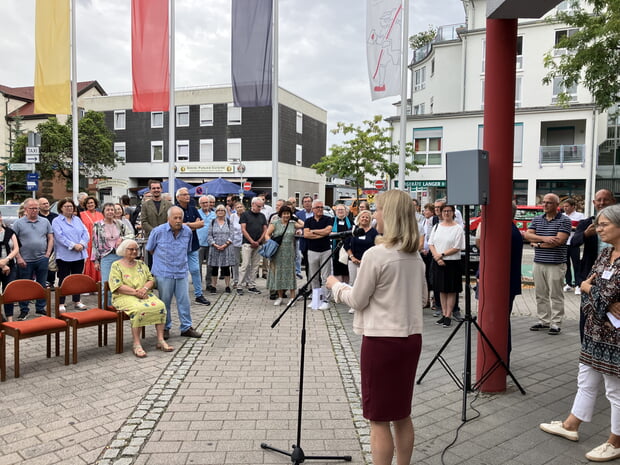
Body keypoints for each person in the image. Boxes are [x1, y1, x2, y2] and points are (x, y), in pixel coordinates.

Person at [326, 190, 425, 465]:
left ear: (390, 215)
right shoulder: (415, 257)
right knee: (402, 413)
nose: (375, 214)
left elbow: (357, 300)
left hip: (382, 342)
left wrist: (337, 287)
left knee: (378, 418)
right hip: (410, 339)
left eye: (378, 209)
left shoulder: (376, 255)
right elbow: (424, 298)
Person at [539, 204, 620, 462]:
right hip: (595, 329)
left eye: (605, 224)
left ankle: (615, 441)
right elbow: (591, 288)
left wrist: (592, 291)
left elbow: (599, 291)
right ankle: (571, 425)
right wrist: (590, 290)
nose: (598, 229)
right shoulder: (605, 254)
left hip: (615, 337)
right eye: (598, 224)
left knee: (614, 390)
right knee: (586, 379)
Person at [109, 239, 172, 358]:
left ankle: (160, 340)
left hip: (143, 294)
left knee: (160, 306)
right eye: (131, 249)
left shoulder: (141, 264)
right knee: (138, 309)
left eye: (136, 249)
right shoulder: (116, 265)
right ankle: (136, 344)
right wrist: (135, 292)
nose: (134, 251)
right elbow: (117, 285)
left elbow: (151, 279)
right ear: (123, 250)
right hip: (124, 296)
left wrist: (144, 289)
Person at [146, 206, 202, 340]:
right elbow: (150, 249)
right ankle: (165, 328)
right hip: (164, 272)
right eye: (175, 218)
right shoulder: (158, 231)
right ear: (168, 219)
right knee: (164, 302)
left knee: (184, 301)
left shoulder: (187, 231)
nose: (178, 220)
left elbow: (187, 250)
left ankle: (186, 327)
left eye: (180, 218)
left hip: (181, 271)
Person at [572, 189, 616, 341]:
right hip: (591, 277)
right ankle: (586, 346)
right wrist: (585, 234)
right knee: (587, 317)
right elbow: (573, 242)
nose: (602, 203)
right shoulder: (587, 224)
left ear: (613, 202)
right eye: (599, 200)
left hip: (613, 280)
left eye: (606, 199)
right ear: (594, 203)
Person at [525, 193, 572, 335]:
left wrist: (537, 244)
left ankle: (556, 323)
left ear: (557, 205)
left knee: (556, 295)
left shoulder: (564, 220)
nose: (545, 205)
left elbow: (558, 241)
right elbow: (527, 235)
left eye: (549, 203)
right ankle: (543, 321)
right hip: (538, 262)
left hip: (556, 263)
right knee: (540, 293)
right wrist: (544, 239)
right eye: (543, 202)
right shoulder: (537, 219)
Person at [12, 198, 54, 320]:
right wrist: (18, 257)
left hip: (42, 258)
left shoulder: (45, 221)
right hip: (24, 260)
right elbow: (13, 242)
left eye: (36, 208)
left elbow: (50, 238)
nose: (35, 210)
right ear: (25, 210)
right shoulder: (18, 223)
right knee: (24, 286)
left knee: (41, 284)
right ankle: (24, 310)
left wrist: (47, 255)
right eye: (32, 208)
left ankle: (40, 308)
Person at [428, 204, 465, 328]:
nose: (446, 213)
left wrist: (442, 255)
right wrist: (437, 257)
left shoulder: (458, 228)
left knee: (451, 290)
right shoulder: (436, 227)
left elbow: (457, 246)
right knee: (441, 290)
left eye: (449, 211)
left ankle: (449, 315)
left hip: (452, 262)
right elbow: (431, 243)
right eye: (444, 211)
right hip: (438, 261)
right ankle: (443, 314)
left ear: (453, 213)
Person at [52, 198, 90, 312]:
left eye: (71, 206)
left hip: (79, 254)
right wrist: (73, 245)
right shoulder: (56, 221)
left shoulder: (77, 219)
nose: (69, 208)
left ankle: (77, 300)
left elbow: (85, 233)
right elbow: (59, 237)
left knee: (77, 278)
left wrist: (82, 244)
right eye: (66, 206)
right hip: (64, 255)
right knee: (63, 279)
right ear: (61, 208)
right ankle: (61, 302)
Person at [175, 188, 209, 305]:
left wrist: (186, 225)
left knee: (195, 270)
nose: (187, 196)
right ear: (178, 197)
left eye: (188, 194)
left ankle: (198, 295)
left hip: (193, 245)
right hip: (179, 246)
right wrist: (192, 225)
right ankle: (180, 294)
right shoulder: (175, 210)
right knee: (180, 271)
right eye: (184, 194)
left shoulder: (193, 209)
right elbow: (176, 225)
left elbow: (201, 224)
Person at [92, 202, 134, 299]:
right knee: (106, 284)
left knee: (121, 283)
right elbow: (95, 243)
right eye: (108, 210)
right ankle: (105, 308)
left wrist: (122, 238)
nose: (110, 212)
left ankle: (118, 308)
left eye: (112, 210)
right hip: (106, 256)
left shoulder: (120, 224)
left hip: (120, 255)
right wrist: (96, 261)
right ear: (103, 212)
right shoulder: (97, 225)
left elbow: (131, 235)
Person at [266, 205, 304, 306]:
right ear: (281, 214)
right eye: (284, 213)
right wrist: (270, 243)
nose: (286, 215)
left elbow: (303, 224)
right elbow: (267, 234)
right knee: (278, 274)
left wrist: (295, 218)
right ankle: (280, 297)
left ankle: (292, 298)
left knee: (290, 275)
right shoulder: (275, 223)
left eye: (288, 213)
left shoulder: (292, 224)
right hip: (277, 252)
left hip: (289, 253)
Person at [343, 210, 378, 313]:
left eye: (367, 217)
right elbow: (346, 244)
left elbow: (376, 247)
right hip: (353, 261)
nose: (365, 219)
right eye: (363, 217)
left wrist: (365, 260)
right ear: (359, 218)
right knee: (353, 282)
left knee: (366, 284)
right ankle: (353, 305)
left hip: (367, 262)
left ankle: (365, 304)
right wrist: (352, 257)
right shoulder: (353, 229)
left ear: (370, 219)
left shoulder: (374, 232)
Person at [304, 199, 333, 310]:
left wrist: (314, 231)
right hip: (312, 251)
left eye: (322, 207)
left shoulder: (328, 219)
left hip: (325, 251)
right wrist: (321, 233)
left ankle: (326, 299)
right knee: (314, 276)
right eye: (318, 207)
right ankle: (316, 299)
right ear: (313, 209)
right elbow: (306, 234)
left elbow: (328, 231)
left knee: (326, 276)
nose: (320, 209)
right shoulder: (308, 221)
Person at [237, 197, 267, 295]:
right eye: (258, 206)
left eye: (261, 206)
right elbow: (243, 229)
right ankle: (239, 285)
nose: (260, 208)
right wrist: (251, 241)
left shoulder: (262, 216)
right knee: (245, 265)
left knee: (255, 265)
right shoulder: (245, 215)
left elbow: (265, 230)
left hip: (258, 243)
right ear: (253, 204)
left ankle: (252, 285)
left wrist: (258, 241)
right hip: (247, 243)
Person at [140, 180, 173, 267]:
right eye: (153, 188)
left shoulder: (169, 205)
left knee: (166, 263)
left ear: (161, 189)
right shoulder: (145, 205)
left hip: (166, 238)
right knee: (151, 264)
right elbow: (144, 221)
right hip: (151, 238)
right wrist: (155, 231)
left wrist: (163, 231)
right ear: (150, 190)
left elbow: (171, 220)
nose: (156, 190)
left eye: (158, 188)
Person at [207, 205, 234, 293]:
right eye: (218, 210)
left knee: (226, 268)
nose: (220, 212)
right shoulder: (212, 222)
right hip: (215, 248)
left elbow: (232, 235)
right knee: (214, 268)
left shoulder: (229, 222)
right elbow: (209, 235)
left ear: (225, 212)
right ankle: (214, 286)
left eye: (222, 210)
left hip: (226, 248)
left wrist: (225, 244)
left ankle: (227, 286)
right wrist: (215, 244)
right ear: (216, 212)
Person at [562, 198, 586, 295]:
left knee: (576, 264)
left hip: (574, 243)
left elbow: (582, 228)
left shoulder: (580, 216)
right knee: (566, 265)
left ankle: (578, 285)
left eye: (567, 206)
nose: (565, 208)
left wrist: (571, 228)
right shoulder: (562, 216)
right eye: (564, 206)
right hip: (564, 243)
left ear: (573, 206)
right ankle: (568, 283)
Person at [79, 195, 104, 282]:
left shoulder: (101, 215)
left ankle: (98, 283)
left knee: (98, 260)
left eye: (92, 202)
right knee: (88, 261)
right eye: (88, 203)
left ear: (95, 204)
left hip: (99, 241)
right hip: (88, 242)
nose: (90, 204)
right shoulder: (82, 215)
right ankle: (87, 283)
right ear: (85, 205)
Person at [0, 210, 19, 321]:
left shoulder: (9, 231)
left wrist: (6, 260)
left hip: (11, 266)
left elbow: (16, 248)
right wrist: (2, 265)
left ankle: (10, 318)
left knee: (9, 292)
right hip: (3, 265)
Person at [38, 196, 58, 288]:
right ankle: (42, 282)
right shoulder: (37, 217)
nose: (46, 205)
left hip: (54, 243)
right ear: (39, 206)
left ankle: (51, 282)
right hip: (41, 244)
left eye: (47, 203)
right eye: (44, 204)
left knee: (52, 263)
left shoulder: (55, 216)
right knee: (42, 264)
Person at [197, 195, 216, 290]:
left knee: (210, 265)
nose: (205, 204)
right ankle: (198, 284)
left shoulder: (214, 214)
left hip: (210, 243)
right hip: (199, 243)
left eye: (206, 202)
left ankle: (209, 283)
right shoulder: (197, 213)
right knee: (198, 265)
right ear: (199, 204)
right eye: (203, 203)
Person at [331, 204, 352, 283]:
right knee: (337, 270)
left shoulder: (350, 221)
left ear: (346, 211)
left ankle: (346, 289)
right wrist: (342, 236)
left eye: (342, 209)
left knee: (346, 271)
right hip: (336, 249)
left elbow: (352, 234)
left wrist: (337, 235)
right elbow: (329, 233)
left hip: (347, 250)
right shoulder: (332, 221)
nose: (340, 211)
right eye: (338, 210)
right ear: (335, 211)